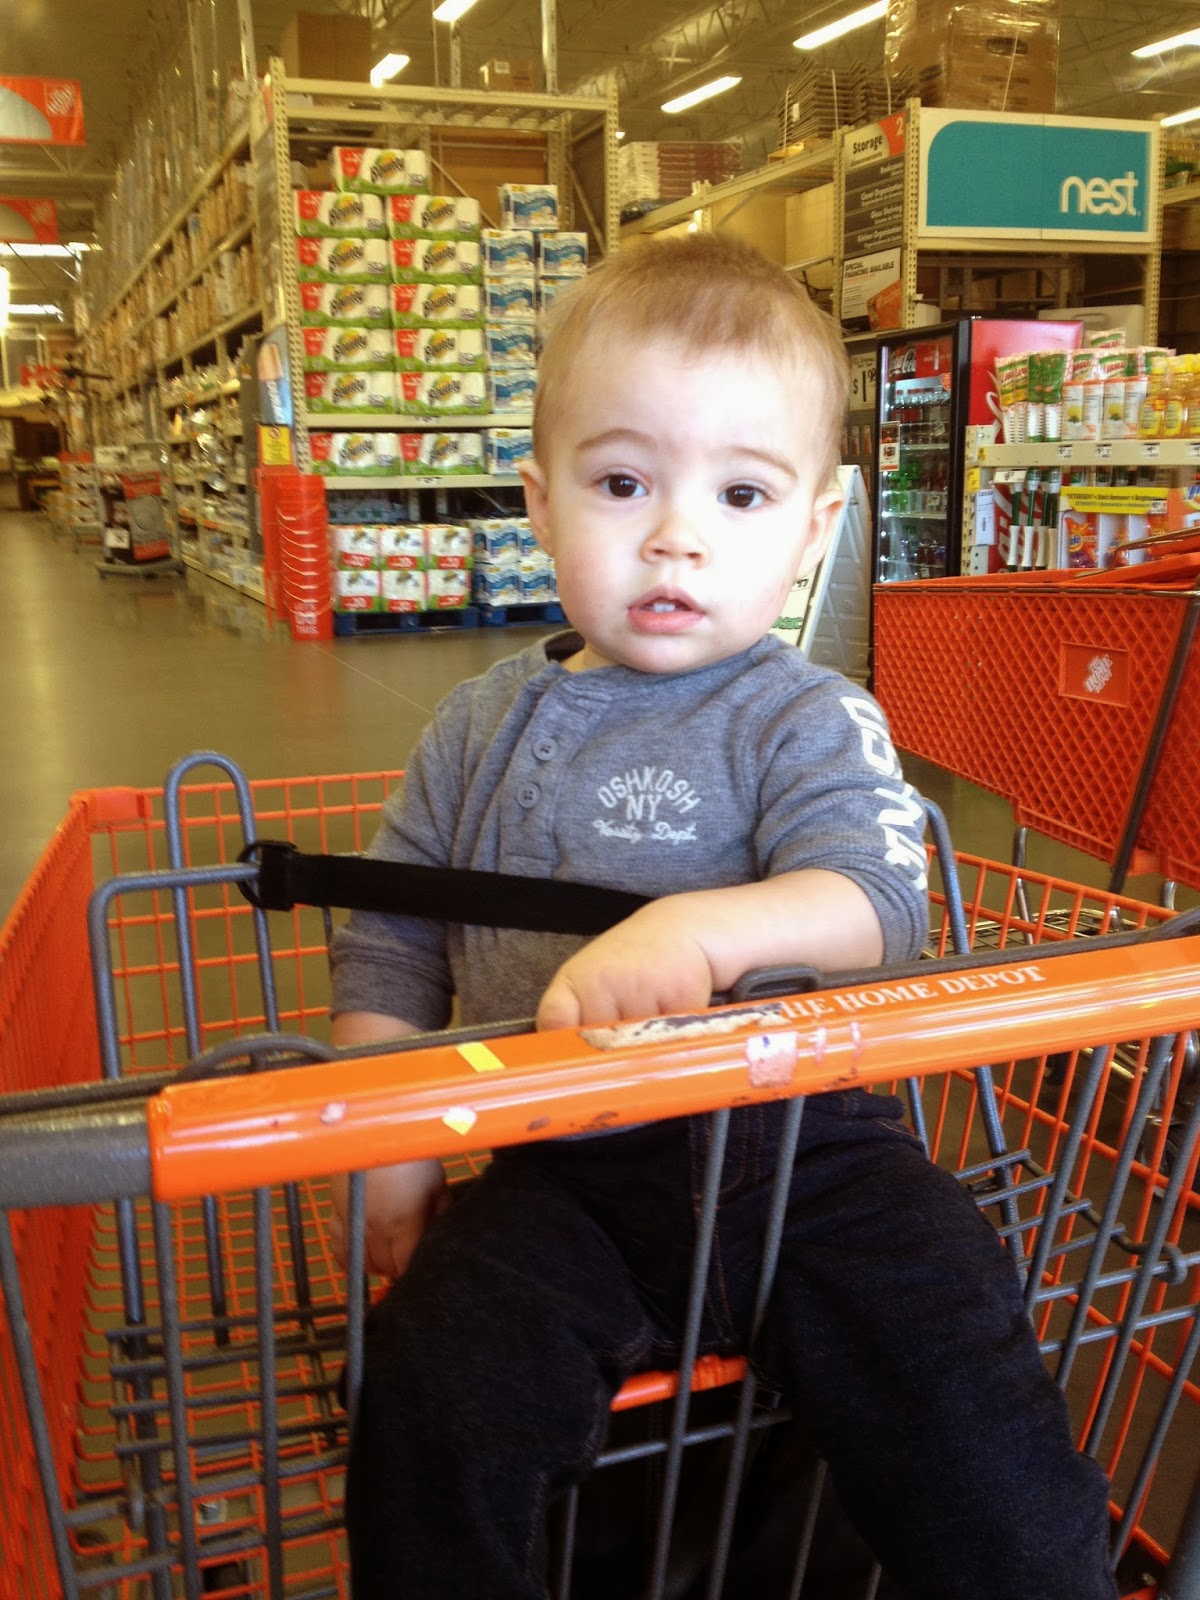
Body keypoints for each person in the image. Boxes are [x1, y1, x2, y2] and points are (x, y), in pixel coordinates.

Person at [328, 234, 1117, 1600]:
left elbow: (875, 901)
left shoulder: (807, 716)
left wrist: (701, 932)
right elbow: (392, 938)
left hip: (813, 1153)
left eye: (742, 494)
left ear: (814, 528)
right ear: (539, 502)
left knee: (966, 1385)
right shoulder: (475, 727)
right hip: (557, 1168)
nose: (676, 536)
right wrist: (389, 1153)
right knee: (433, 1392)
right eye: (622, 483)